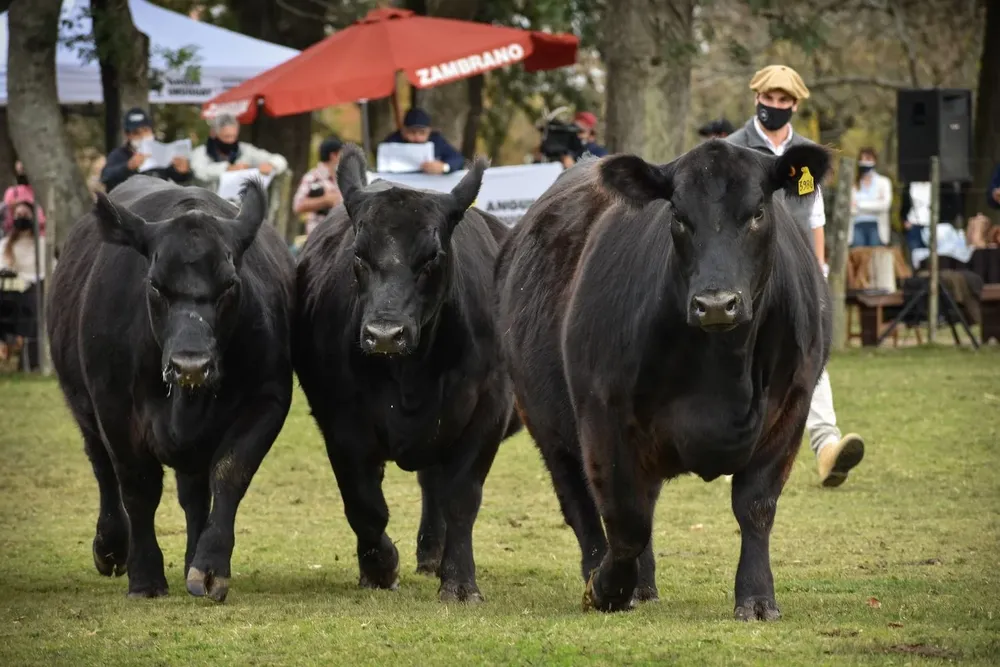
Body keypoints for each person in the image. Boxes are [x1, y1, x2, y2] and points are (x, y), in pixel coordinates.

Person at [727, 64, 865, 488]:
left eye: (784, 100)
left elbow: (814, 216)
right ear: (757, 98)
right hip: (745, 275)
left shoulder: (806, 156)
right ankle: (738, 444)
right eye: (769, 98)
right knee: (740, 357)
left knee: (809, 349)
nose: (775, 105)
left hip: (795, 272)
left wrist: (818, 270)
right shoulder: (731, 150)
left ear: (795, 104)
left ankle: (827, 446)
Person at [100, 107, 192, 193]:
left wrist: (183, 171)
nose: (142, 136)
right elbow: (106, 177)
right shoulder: (118, 154)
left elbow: (180, 179)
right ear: (128, 135)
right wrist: (128, 167)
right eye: (136, 133)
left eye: (145, 130)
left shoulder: (161, 152)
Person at [0, 198, 46, 368]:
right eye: (18, 214)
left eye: (25, 214)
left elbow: (46, 271)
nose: (21, 217)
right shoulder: (5, 245)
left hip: (32, 292)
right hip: (9, 291)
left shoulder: (42, 245)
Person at [190, 113, 288, 190]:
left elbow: (280, 160)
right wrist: (228, 169)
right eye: (226, 136)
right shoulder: (200, 152)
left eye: (234, 136)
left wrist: (271, 165)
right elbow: (200, 172)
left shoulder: (245, 150)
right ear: (213, 134)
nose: (231, 141)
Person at [380, 107, 464, 175]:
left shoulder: (436, 141)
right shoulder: (392, 142)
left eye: (422, 132)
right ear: (403, 131)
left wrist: (444, 167)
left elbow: (458, 159)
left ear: (429, 131)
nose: (417, 137)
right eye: (412, 132)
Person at [293, 136, 344, 236]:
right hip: (317, 237)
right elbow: (297, 205)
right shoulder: (312, 177)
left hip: (338, 236)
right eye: (341, 153)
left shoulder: (340, 178)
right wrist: (325, 200)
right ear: (333, 155)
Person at [850, 147, 893, 247]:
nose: (865, 162)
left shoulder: (884, 182)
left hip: (876, 226)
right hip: (857, 226)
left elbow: (885, 205)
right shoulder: (853, 184)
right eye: (862, 159)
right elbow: (851, 208)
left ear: (875, 161)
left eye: (868, 159)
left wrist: (859, 204)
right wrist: (875, 204)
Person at [3, 162, 46, 236]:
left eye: (24, 169)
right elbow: (6, 219)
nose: (22, 173)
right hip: (15, 236)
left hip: (38, 236)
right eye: (19, 171)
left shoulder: (41, 191)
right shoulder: (12, 192)